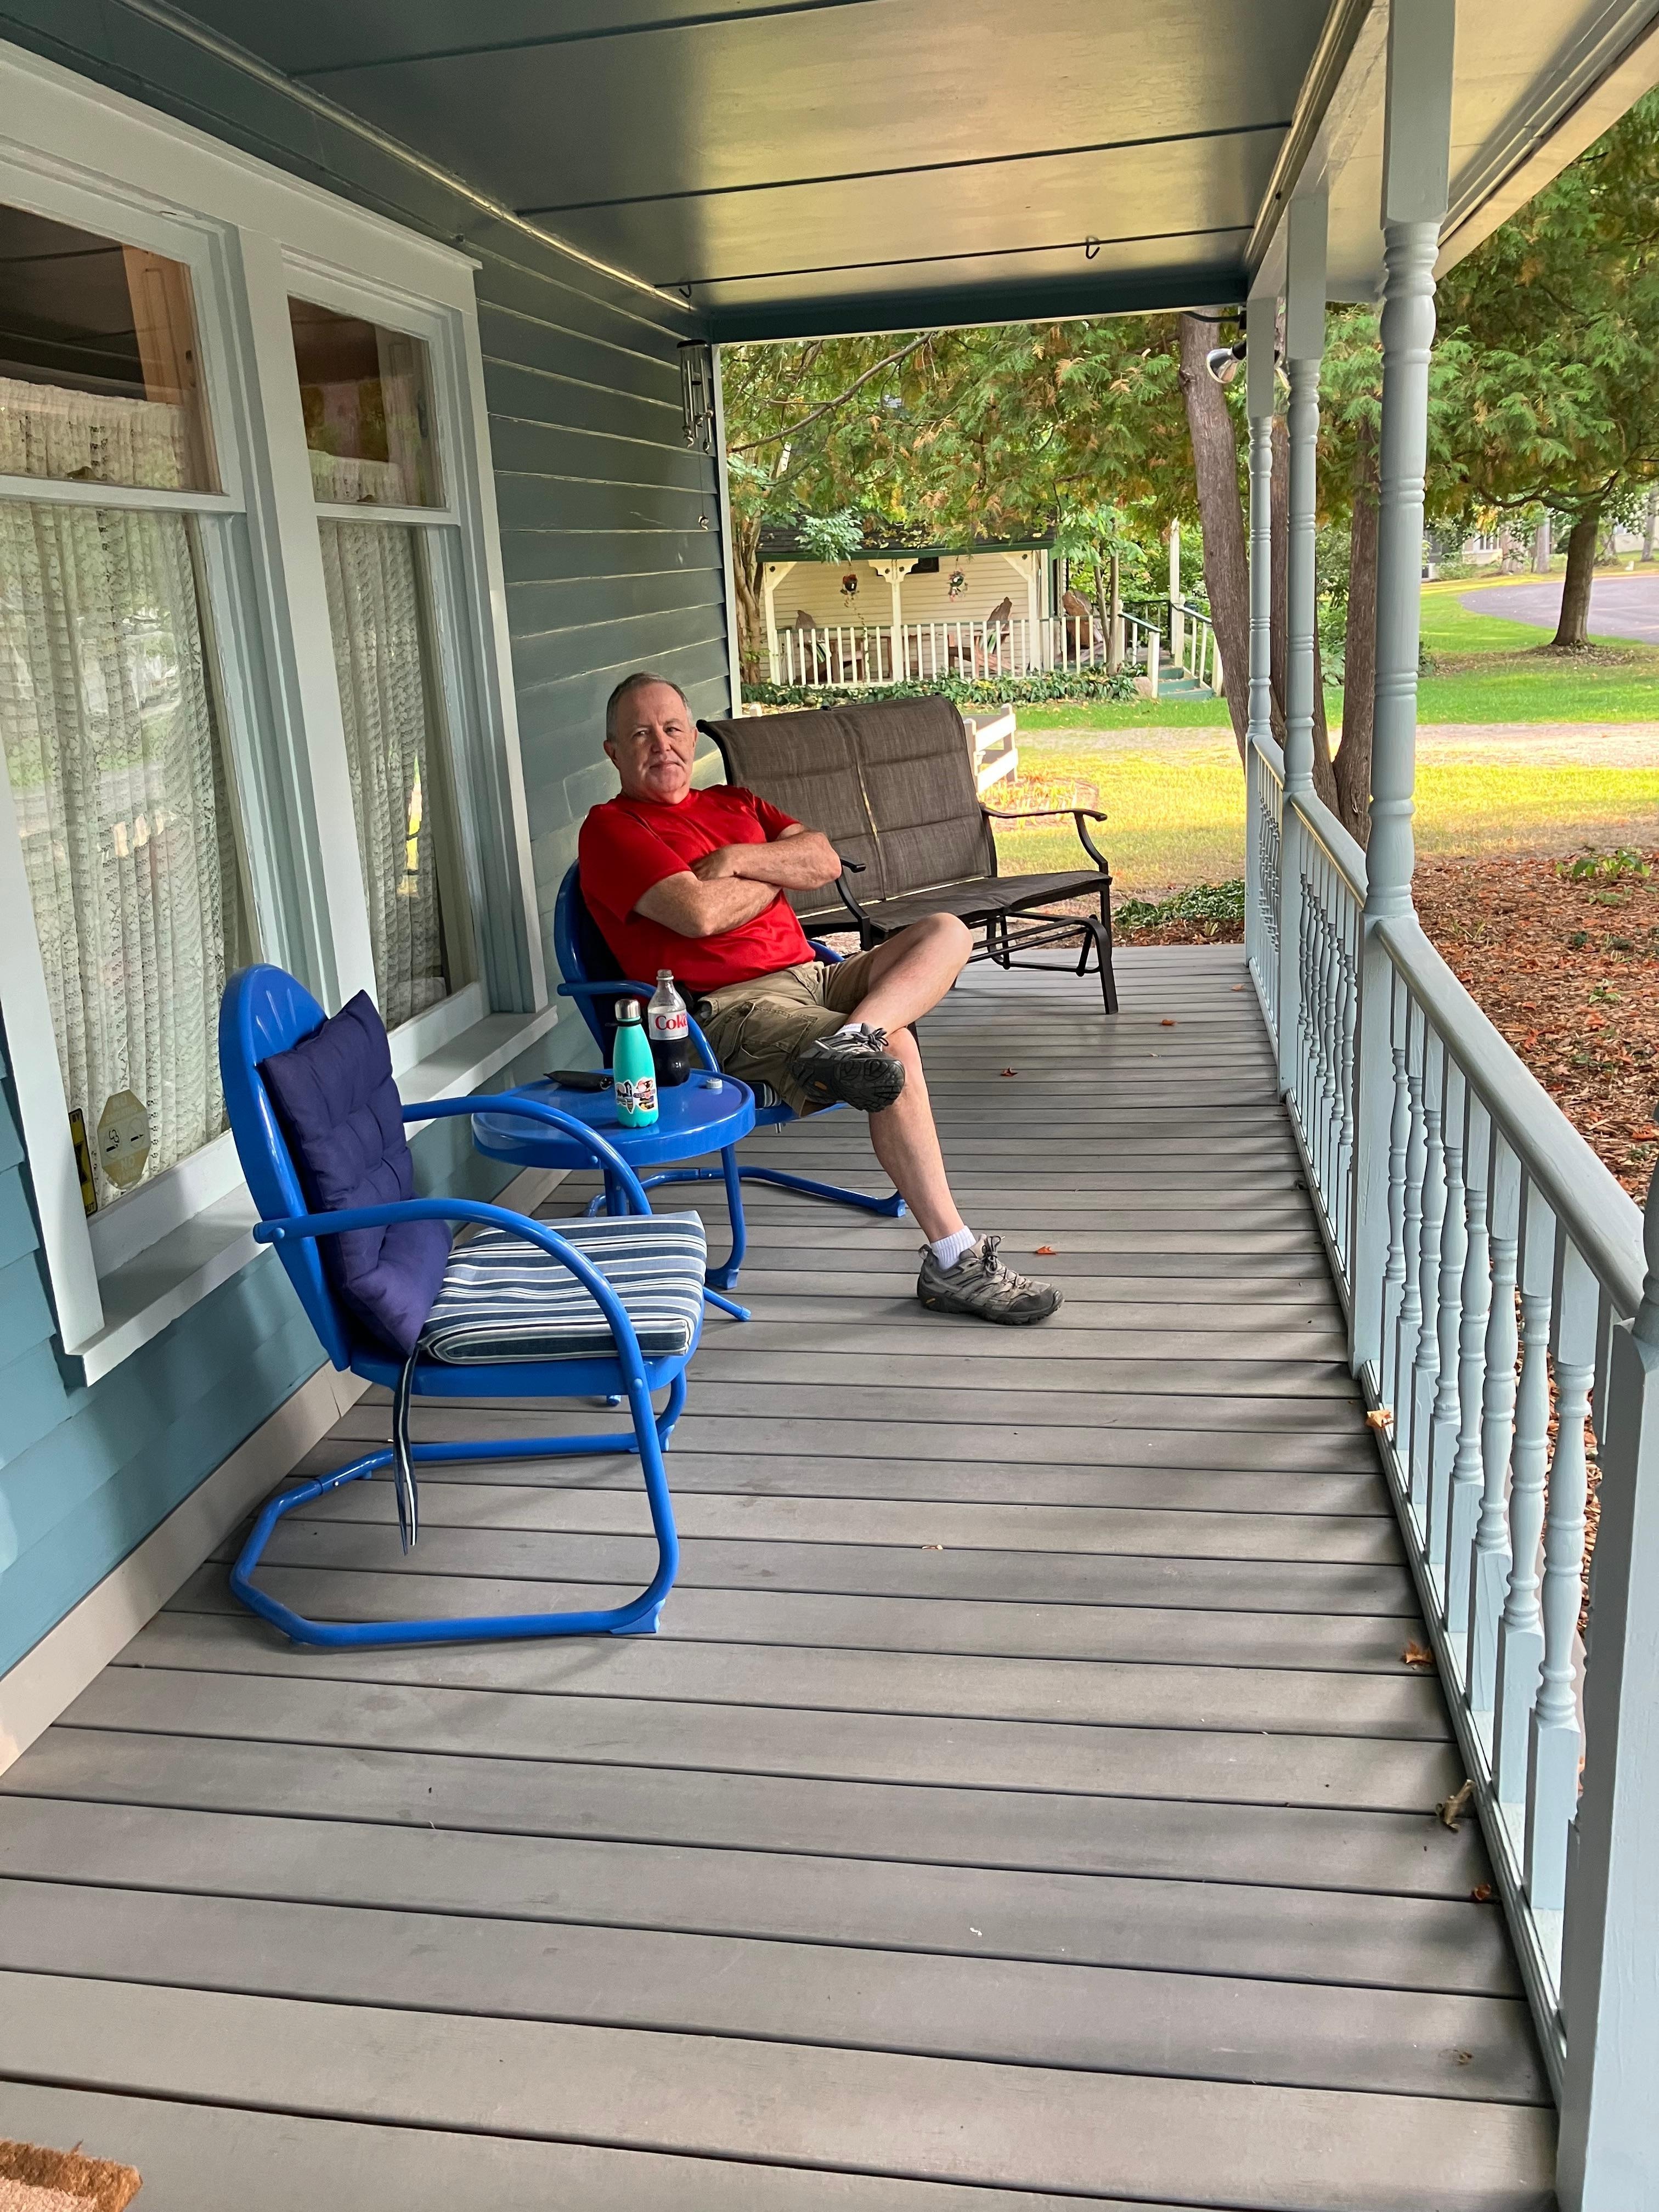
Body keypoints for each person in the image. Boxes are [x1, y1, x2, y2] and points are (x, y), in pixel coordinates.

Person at [577, 672, 1062, 1325]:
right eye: (640, 734)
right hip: (729, 1009)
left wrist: (737, 860)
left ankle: (854, 1037)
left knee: (945, 931)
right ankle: (954, 1258)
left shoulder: (736, 802)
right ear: (613, 751)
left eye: (671, 729)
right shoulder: (610, 828)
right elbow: (697, 915)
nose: (660, 745)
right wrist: (774, 874)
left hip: (817, 976)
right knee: (897, 1048)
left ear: (693, 738)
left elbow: (825, 861)